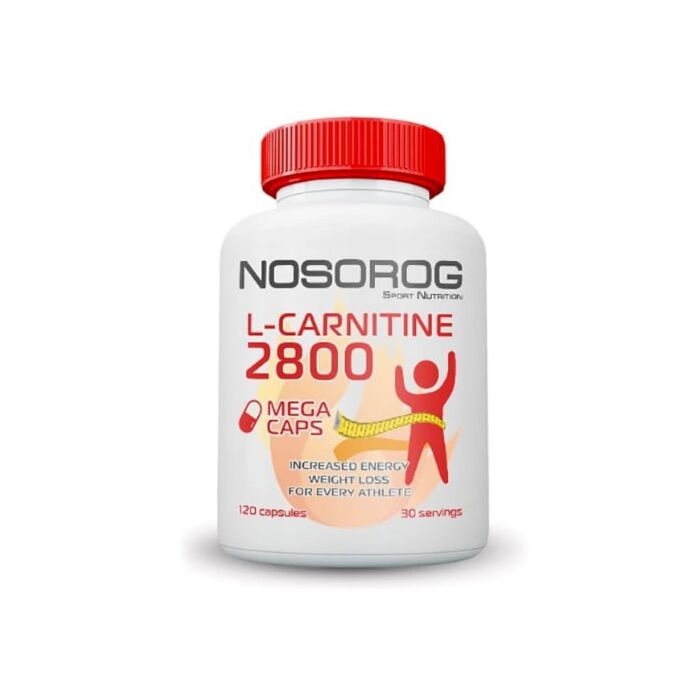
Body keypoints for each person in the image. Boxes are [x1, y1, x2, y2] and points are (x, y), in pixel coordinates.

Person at [395, 351, 456, 485]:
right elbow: (449, 382)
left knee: (417, 459)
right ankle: (443, 478)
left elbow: (402, 393)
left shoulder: (416, 399)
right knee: (437, 458)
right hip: (432, 434)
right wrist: (451, 360)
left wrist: (398, 372)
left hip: (420, 434)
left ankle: (410, 480)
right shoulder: (439, 396)